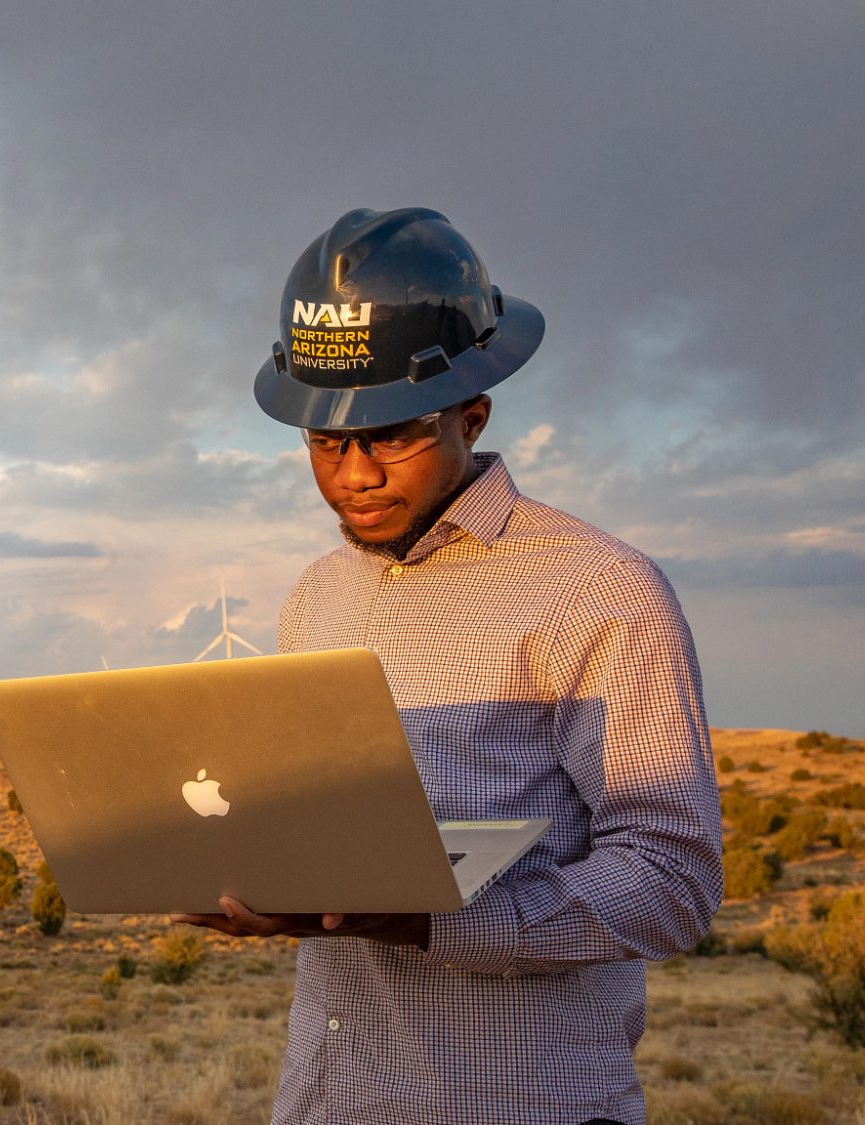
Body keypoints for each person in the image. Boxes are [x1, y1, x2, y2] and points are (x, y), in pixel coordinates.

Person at [173, 208, 723, 1124]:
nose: (355, 473)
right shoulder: (316, 596)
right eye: (324, 440)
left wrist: (431, 919)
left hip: (524, 1103)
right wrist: (254, 876)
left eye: (392, 433)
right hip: (329, 1100)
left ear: (474, 412)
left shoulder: (601, 589)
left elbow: (673, 876)